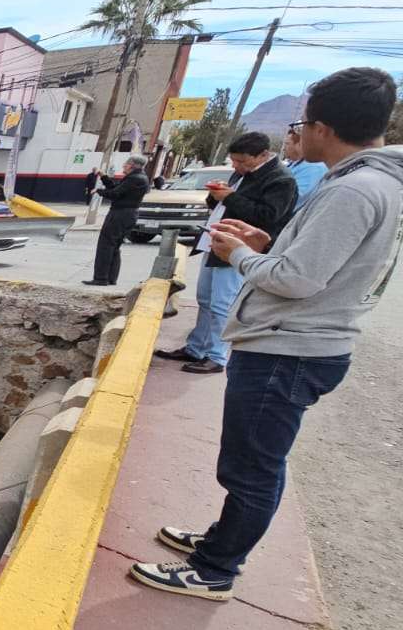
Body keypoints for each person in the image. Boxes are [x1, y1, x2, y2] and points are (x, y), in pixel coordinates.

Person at [130, 67, 403, 602]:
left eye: (301, 125)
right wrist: (267, 244)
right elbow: (319, 263)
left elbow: (298, 280)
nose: (297, 134)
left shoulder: (355, 189)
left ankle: (215, 569)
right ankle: (221, 541)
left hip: (289, 347)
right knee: (252, 461)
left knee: (252, 467)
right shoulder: (369, 184)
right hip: (295, 342)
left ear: (323, 127)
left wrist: (241, 255)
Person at [154, 132, 298, 374]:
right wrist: (216, 195)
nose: (236, 166)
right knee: (205, 298)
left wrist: (230, 197)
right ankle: (196, 348)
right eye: (234, 160)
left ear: (263, 155)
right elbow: (221, 205)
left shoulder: (280, 180)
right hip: (215, 241)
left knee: (223, 303)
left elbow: (268, 216)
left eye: (242, 161)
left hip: (240, 248)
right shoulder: (242, 174)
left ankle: (217, 356)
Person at [84, 155, 151, 286]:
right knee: (114, 246)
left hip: (120, 214)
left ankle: (101, 278)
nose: (123, 166)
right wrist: (103, 176)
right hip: (127, 214)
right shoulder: (139, 177)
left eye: (126, 163)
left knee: (106, 245)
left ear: (132, 165)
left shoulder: (134, 178)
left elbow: (115, 194)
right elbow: (115, 188)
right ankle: (110, 278)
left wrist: (99, 191)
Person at [282, 124, 328, 210]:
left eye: (287, 144)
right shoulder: (295, 163)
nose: (284, 148)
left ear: (300, 144)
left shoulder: (314, 167)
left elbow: (295, 199)